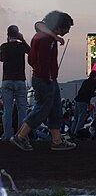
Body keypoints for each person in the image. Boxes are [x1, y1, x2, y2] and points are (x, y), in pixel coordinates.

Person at [10, 10, 76, 151]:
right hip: (45, 79)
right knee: (42, 109)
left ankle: (57, 141)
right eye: (67, 28)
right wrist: (48, 77)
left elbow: (32, 59)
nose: (67, 32)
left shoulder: (42, 36)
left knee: (54, 109)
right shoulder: (47, 40)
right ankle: (20, 136)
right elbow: (43, 61)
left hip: (45, 78)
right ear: (59, 27)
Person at [0, 25, 30, 141]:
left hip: (6, 80)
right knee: (22, 109)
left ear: (7, 35)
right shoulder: (21, 46)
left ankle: (7, 135)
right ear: (17, 34)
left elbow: (1, 58)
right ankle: (21, 135)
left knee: (7, 109)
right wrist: (23, 40)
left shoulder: (3, 46)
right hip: (20, 80)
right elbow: (31, 52)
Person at [70, 70, 96, 138]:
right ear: (95, 77)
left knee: (76, 119)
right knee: (81, 119)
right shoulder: (93, 82)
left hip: (77, 100)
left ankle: (72, 132)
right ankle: (77, 133)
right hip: (83, 102)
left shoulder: (85, 82)